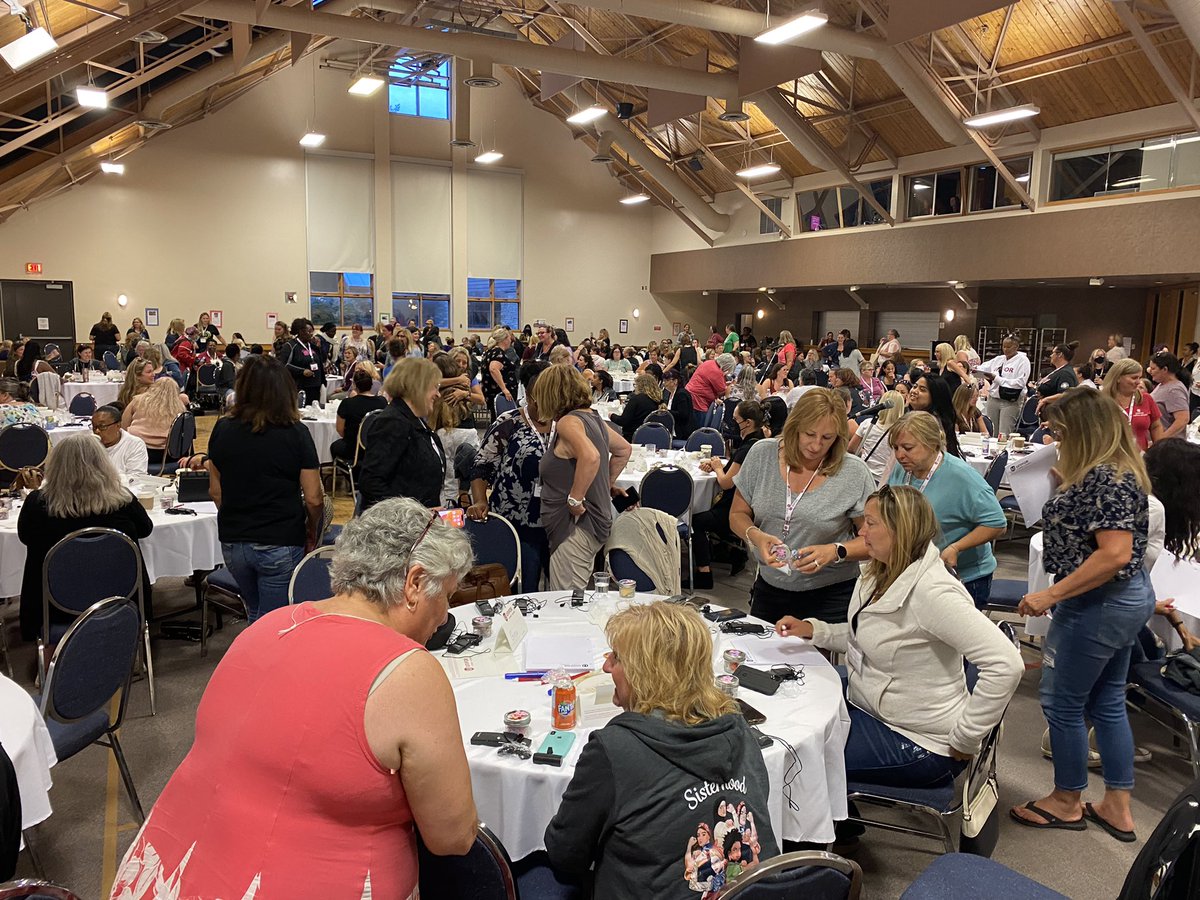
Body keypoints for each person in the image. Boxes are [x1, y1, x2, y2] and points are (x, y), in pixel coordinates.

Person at [111, 497, 477, 898]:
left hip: (164, 875)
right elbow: (452, 836)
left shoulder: (268, 626)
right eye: (446, 595)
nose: (444, 616)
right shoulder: (409, 670)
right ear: (414, 582)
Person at [775, 486, 1022, 787]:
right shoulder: (879, 569)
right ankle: (839, 818)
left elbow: (1006, 663)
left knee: (798, 757)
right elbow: (869, 638)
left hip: (922, 742)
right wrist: (817, 631)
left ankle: (827, 823)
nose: (861, 531)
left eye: (871, 523)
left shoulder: (933, 593)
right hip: (873, 706)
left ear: (899, 530)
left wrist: (967, 737)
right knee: (793, 698)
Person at [544, 602, 778, 898]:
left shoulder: (614, 749)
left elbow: (565, 853)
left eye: (616, 658)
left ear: (643, 672)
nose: (606, 666)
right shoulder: (739, 730)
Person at [1013, 388, 1156, 842]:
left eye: (1060, 431)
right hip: (1118, 598)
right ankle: (1117, 804)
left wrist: (1050, 594)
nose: (1054, 438)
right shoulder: (1105, 473)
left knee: (1062, 700)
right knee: (1107, 700)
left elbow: (1114, 554)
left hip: (1100, 601)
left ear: (1084, 432)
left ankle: (1067, 800)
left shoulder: (1107, 480)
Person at [729, 389, 875, 624]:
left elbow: (875, 541)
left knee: (818, 660)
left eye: (827, 438)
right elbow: (737, 514)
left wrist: (835, 551)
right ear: (794, 426)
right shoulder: (761, 455)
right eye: (809, 434)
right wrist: (756, 536)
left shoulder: (854, 472)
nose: (816, 446)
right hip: (770, 588)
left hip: (830, 594)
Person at [206, 356, 323, 622]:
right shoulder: (296, 433)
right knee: (273, 621)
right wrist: (314, 529)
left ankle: (252, 658)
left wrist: (238, 514)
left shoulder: (223, 428)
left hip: (234, 540)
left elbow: (215, 491)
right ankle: (262, 661)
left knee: (256, 613)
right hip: (278, 537)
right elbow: (314, 497)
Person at [18, 434, 154, 641]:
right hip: (119, 597)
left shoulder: (38, 504)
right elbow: (146, 529)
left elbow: (25, 537)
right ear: (103, 464)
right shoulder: (123, 500)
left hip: (55, 604)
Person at [886, 412, 1007, 607]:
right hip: (916, 571)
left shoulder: (963, 478)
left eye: (907, 448)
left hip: (962, 578)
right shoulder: (904, 468)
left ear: (932, 443)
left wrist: (956, 547)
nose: (900, 455)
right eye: (896, 447)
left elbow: (997, 524)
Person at [531, 365, 631, 590]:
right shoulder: (592, 418)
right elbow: (623, 450)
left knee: (567, 602)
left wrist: (575, 499)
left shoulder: (569, 422)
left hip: (573, 527)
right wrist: (604, 485)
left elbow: (591, 456)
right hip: (585, 526)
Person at [469, 361, 552, 591]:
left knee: (558, 591)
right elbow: (481, 466)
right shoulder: (509, 423)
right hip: (516, 521)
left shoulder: (566, 423)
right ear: (531, 395)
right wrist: (480, 500)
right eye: (539, 396)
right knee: (524, 588)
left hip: (556, 522)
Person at [692, 400, 766, 585]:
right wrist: (718, 467)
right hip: (750, 501)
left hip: (736, 506)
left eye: (736, 419)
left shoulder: (748, 447)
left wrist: (717, 467)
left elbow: (726, 483)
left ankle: (704, 573)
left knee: (696, 520)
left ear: (747, 422)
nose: (732, 422)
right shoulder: (760, 441)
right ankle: (730, 552)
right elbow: (736, 471)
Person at [359, 358, 446, 510]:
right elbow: (372, 483)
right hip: (397, 528)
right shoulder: (392, 422)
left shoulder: (415, 421)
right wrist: (414, 513)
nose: (438, 394)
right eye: (435, 387)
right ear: (418, 386)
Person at [429, 354, 480, 508]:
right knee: (470, 468)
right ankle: (467, 502)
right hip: (468, 430)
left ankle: (449, 506)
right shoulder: (463, 381)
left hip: (444, 431)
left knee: (448, 474)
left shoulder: (437, 387)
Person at [1101, 357, 1164, 451]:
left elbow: (1156, 426)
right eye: (1134, 378)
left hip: (1140, 459)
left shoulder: (1146, 399)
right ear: (1118, 378)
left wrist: (1158, 449)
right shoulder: (1102, 402)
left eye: (1139, 377)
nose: (1138, 382)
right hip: (1111, 459)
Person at [121, 376, 187, 461]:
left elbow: (123, 425)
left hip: (137, 451)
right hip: (169, 455)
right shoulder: (180, 407)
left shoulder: (138, 400)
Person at [976, 336, 1031, 437]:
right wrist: (973, 369)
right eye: (1004, 346)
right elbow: (983, 367)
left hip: (1010, 400)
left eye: (1009, 347)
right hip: (994, 398)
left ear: (1016, 347)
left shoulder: (1023, 361)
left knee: (1004, 433)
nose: (1005, 349)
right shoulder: (999, 359)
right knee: (991, 431)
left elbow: (1020, 383)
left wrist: (997, 379)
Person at [330, 368, 387, 463]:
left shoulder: (347, 403)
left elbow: (340, 429)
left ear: (354, 385)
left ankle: (346, 473)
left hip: (353, 447)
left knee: (335, 446)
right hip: (376, 446)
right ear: (371, 384)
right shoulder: (382, 402)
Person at [848, 389, 905, 483]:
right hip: (884, 479)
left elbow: (851, 449)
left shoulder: (867, 424)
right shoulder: (901, 433)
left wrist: (864, 451)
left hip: (863, 474)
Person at [906, 373, 962, 458]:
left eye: (922, 389)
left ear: (935, 396)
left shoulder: (928, 422)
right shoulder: (914, 416)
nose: (914, 391)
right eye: (914, 386)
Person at [91, 405, 149, 477]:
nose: (97, 431)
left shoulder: (134, 444)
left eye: (102, 426)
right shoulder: (89, 444)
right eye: (94, 427)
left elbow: (136, 477)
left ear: (118, 426)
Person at [1147, 351, 1191, 440]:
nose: (1149, 371)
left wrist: (1161, 438)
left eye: (1153, 368)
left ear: (1165, 369)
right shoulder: (1162, 385)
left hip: (1168, 445)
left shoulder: (1174, 389)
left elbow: (1183, 419)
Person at [280, 317, 323, 400]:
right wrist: (302, 371)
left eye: (312, 331)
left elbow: (320, 364)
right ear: (300, 332)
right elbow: (283, 365)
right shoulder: (290, 346)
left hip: (315, 386)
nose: (311, 334)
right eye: (309, 331)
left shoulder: (313, 346)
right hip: (299, 386)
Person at [482, 325, 518, 416]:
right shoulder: (498, 352)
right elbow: (494, 369)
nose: (511, 341)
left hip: (492, 392)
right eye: (509, 338)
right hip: (500, 394)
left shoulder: (489, 351)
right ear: (504, 339)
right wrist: (504, 389)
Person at [1035, 342, 1080, 409]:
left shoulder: (1065, 373)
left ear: (1060, 354)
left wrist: (1045, 400)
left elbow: (1065, 394)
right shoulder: (1058, 371)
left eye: (1053, 353)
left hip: (1058, 412)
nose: (1051, 355)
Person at [689, 352, 734, 419]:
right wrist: (730, 385)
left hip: (690, 394)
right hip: (699, 402)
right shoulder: (717, 372)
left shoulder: (709, 362)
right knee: (701, 425)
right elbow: (721, 390)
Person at [661, 369, 694, 440]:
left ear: (675, 381)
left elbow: (683, 414)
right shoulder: (671, 393)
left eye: (666, 381)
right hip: (675, 426)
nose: (664, 383)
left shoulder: (681, 394)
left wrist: (666, 411)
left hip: (682, 430)